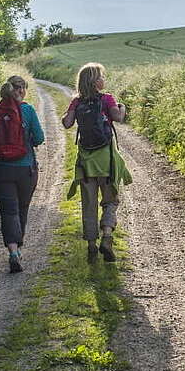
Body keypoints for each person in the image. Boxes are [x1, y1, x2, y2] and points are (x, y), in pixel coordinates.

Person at [61, 63, 132, 263]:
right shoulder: (107, 98)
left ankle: (91, 245)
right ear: (95, 81)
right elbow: (117, 117)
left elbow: (67, 123)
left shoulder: (77, 101)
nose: (104, 79)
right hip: (106, 161)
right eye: (101, 76)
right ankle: (107, 235)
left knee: (89, 204)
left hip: (86, 162)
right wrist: (122, 107)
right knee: (111, 200)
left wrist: (64, 114)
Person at [0, 75, 43, 273]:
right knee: (22, 208)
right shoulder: (28, 110)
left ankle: (13, 251)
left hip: (2, 170)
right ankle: (18, 245)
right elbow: (40, 137)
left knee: (8, 211)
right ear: (22, 90)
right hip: (26, 170)